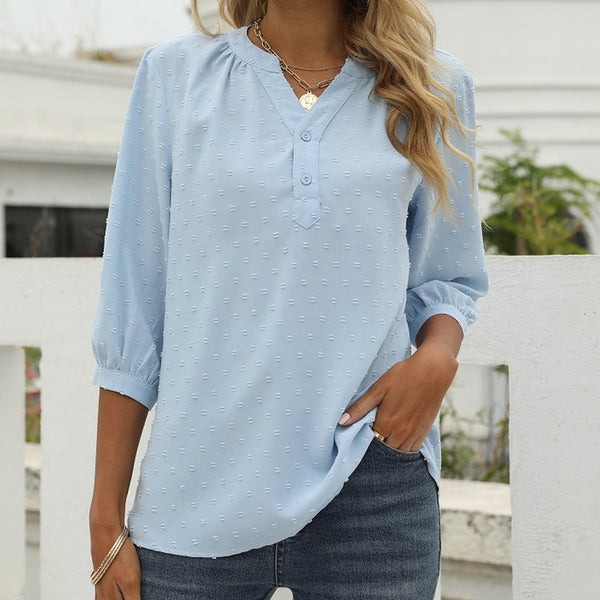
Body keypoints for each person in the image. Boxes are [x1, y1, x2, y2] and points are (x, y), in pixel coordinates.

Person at [88, 0, 489, 598]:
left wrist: (437, 357)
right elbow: (133, 308)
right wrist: (105, 517)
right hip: (195, 488)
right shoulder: (175, 77)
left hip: (372, 478)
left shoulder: (431, 86)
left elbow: (449, 275)